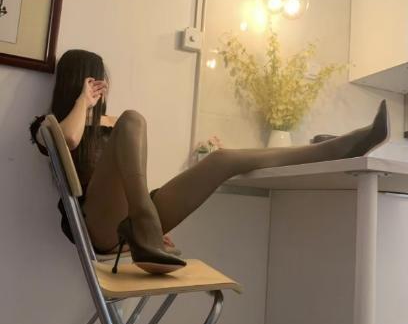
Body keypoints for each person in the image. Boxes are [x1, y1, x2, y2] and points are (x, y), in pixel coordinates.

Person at [30, 49, 389, 275]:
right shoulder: (48, 126)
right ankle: (144, 223)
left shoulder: (117, 124)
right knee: (132, 118)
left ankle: (337, 148)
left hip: (131, 218)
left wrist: (145, 210)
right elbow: (70, 140)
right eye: (95, 81)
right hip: (94, 226)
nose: (103, 87)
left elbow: (130, 176)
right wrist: (83, 103)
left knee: (223, 159)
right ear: (79, 82)